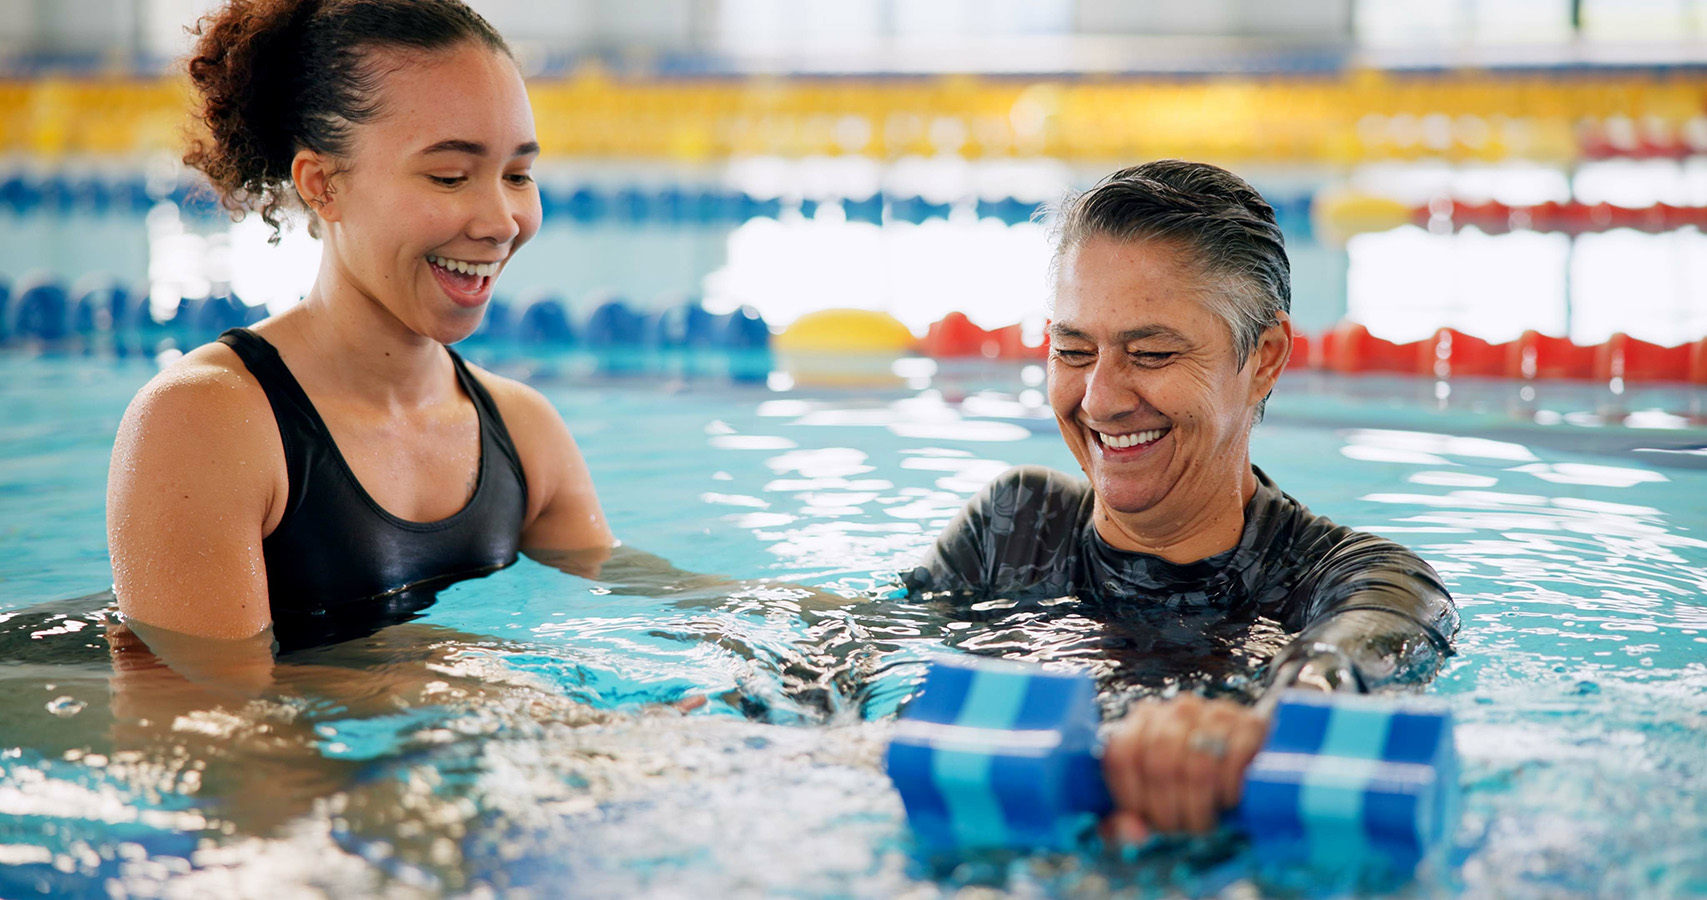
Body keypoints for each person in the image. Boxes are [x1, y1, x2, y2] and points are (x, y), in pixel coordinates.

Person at [903, 160, 1460, 845]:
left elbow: (1340, 675)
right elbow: (863, 674)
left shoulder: (1362, 583)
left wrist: (1242, 729)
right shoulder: (1014, 526)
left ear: (1264, 358)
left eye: (1153, 353)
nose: (1099, 399)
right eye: (1072, 350)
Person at [107, 0, 612, 653]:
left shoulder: (523, 431)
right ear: (322, 185)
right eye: (449, 175)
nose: (500, 220)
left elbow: (629, 607)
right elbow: (208, 726)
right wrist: (454, 685)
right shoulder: (204, 421)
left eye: (517, 174)